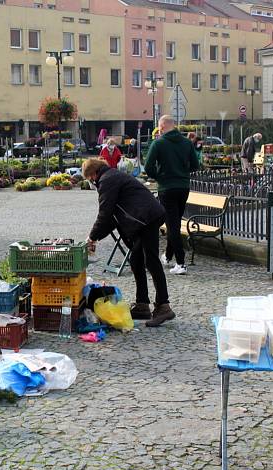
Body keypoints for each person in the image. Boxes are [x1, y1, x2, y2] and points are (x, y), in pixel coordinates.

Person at [83, 158, 175, 327]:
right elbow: (111, 218)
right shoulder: (111, 176)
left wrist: (92, 237)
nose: (92, 182)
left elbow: (105, 214)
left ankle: (163, 306)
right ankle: (142, 305)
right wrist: (94, 237)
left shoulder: (106, 180)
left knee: (151, 260)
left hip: (147, 218)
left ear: (94, 173)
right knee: (136, 260)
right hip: (147, 217)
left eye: (90, 179)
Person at [144, 116, 199, 276]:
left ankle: (181, 263)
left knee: (172, 225)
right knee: (174, 223)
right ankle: (168, 256)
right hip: (183, 187)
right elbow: (195, 165)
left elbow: (148, 167)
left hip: (167, 188)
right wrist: (182, 173)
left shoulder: (159, 143)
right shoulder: (187, 142)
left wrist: (160, 176)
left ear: (161, 127)